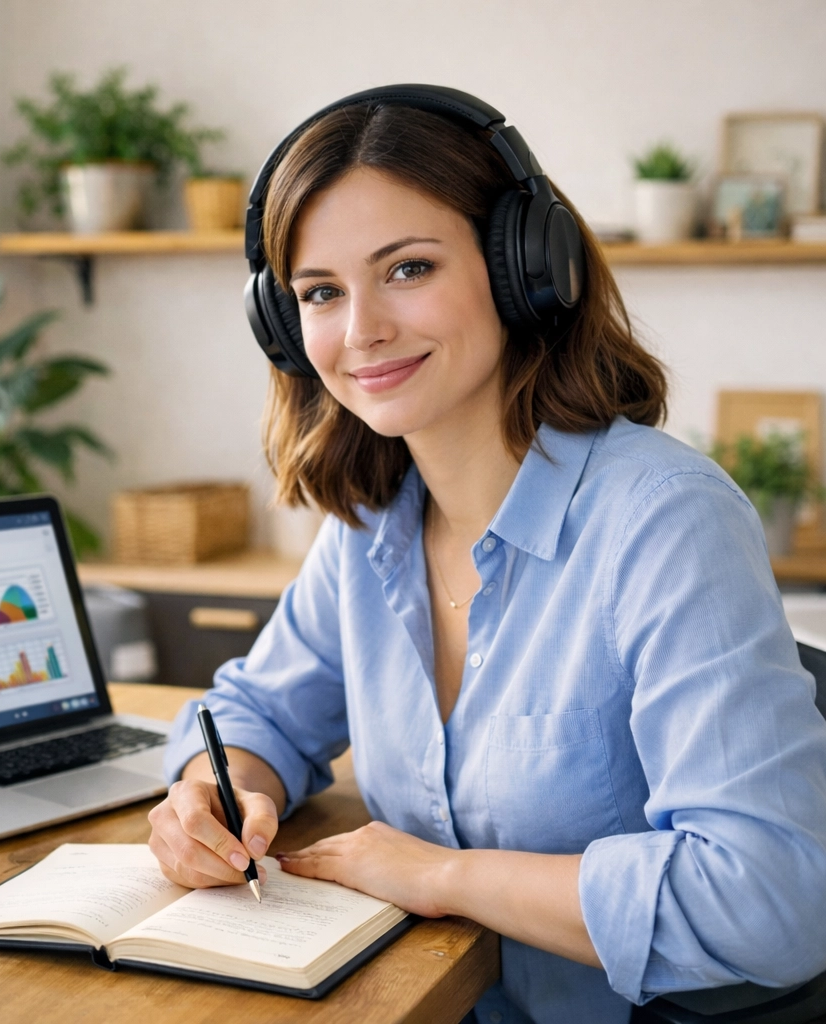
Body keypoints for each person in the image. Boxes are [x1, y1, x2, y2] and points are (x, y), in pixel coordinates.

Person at [147, 87, 826, 1023]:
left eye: (409, 268)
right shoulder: (371, 521)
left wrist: (442, 876)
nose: (361, 332)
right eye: (320, 294)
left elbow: (769, 903)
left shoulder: (666, 521)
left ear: (523, 268)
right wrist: (215, 799)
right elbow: (259, 711)